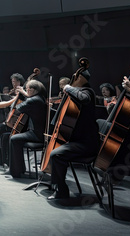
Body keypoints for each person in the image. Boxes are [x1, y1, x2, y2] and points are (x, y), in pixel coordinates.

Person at [48, 69, 100, 200]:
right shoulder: (77, 93)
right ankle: (56, 185)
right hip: (76, 140)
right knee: (55, 152)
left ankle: (62, 190)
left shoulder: (88, 92)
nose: (72, 81)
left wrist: (68, 87)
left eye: (75, 78)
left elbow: (84, 98)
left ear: (81, 78)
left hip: (86, 143)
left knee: (56, 154)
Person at [8, 79, 47, 178]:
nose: (27, 90)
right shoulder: (40, 98)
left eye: (28, 89)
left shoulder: (33, 100)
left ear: (33, 90)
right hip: (40, 132)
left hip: (36, 134)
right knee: (15, 138)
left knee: (14, 138)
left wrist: (22, 95)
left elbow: (18, 108)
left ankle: (16, 171)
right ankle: (19, 168)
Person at [0, 73, 26, 166]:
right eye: (12, 82)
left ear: (19, 82)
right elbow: (7, 103)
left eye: (14, 82)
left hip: (17, 125)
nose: (13, 84)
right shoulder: (18, 94)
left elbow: (7, 103)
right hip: (10, 122)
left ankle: (2, 158)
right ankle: (1, 157)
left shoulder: (23, 94)